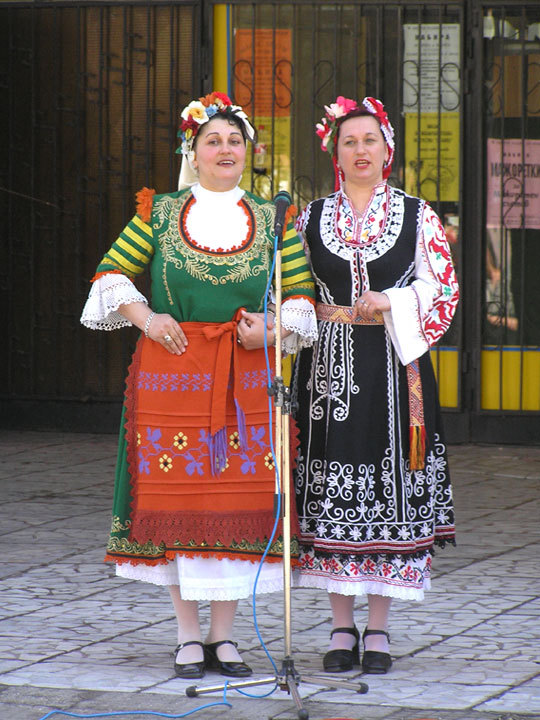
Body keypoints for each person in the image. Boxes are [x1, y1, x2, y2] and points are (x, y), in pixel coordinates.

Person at [81, 91, 317, 680]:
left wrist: (272, 327)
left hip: (246, 380)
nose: (225, 149)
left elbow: (302, 296)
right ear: (194, 151)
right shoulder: (158, 213)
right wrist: (148, 318)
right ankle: (189, 636)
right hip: (173, 375)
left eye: (235, 140)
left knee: (236, 502)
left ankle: (225, 636)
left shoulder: (273, 219)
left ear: (250, 152)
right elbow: (111, 272)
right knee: (177, 505)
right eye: (212, 140)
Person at [292, 96, 459, 675]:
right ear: (334, 153)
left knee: (392, 487)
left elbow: (443, 289)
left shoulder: (418, 216)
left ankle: (381, 629)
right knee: (332, 486)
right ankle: (341, 626)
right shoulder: (309, 218)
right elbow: (290, 292)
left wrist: (394, 299)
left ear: (388, 149)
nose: (360, 150)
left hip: (396, 366)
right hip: (329, 372)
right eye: (349, 142)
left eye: (370, 140)